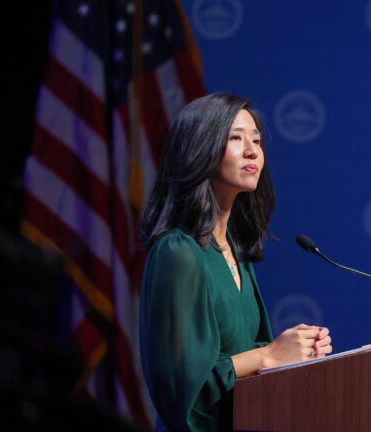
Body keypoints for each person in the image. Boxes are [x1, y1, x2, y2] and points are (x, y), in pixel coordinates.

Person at [137, 92, 332, 432]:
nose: (252, 150)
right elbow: (184, 387)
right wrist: (268, 355)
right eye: (236, 138)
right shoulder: (178, 252)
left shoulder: (235, 250)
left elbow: (239, 356)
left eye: (256, 140)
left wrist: (295, 350)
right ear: (201, 149)